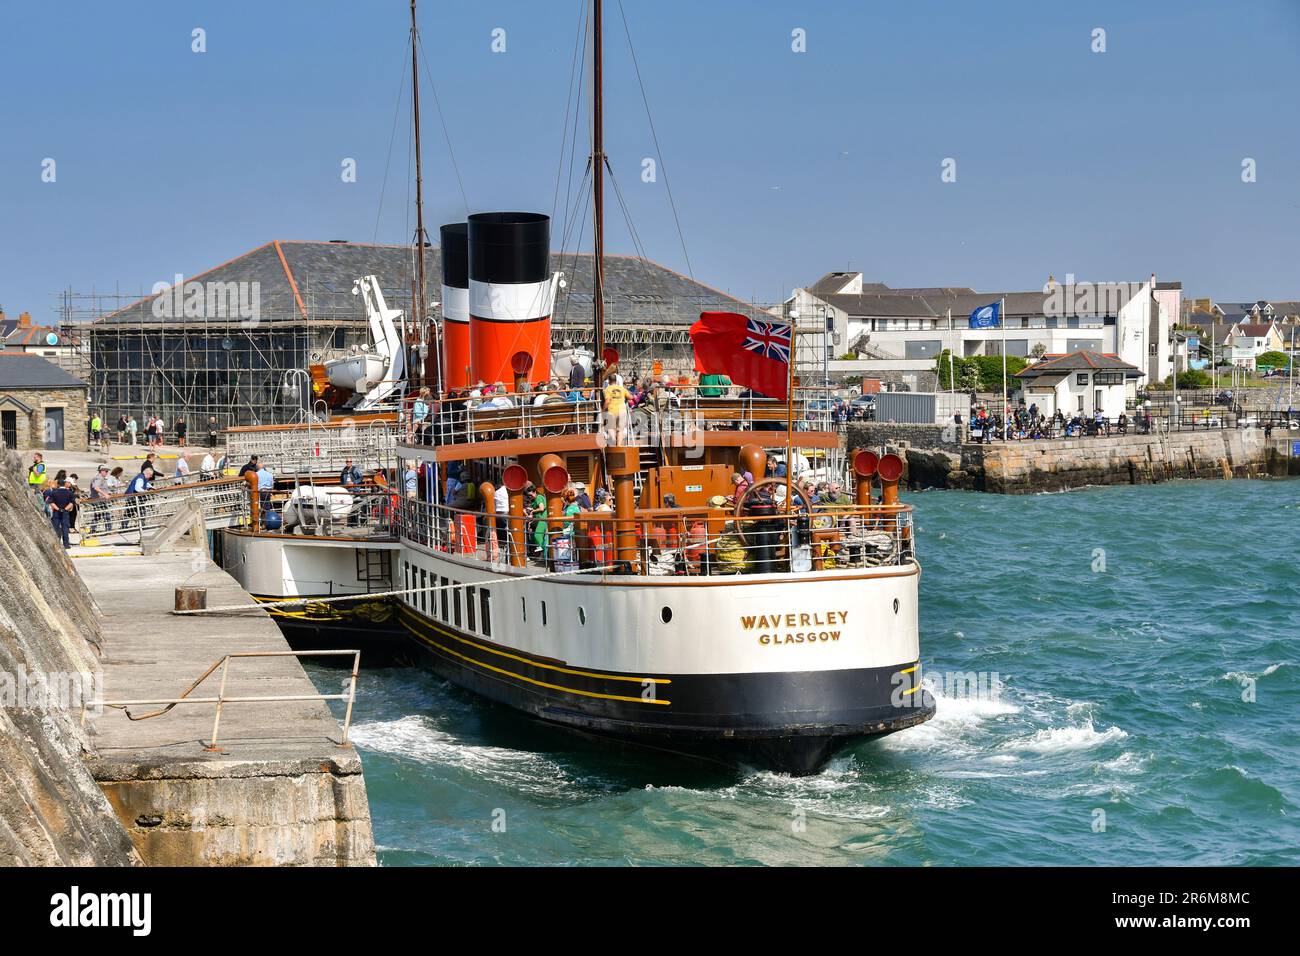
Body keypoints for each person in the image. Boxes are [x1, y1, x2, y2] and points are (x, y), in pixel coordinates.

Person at [44, 477, 76, 548]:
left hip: (56, 512)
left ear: (58, 485)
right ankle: (66, 544)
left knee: (56, 528)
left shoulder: (54, 493)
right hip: (65, 513)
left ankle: (57, 544)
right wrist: (65, 509)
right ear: (65, 484)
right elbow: (71, 503)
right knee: (65, 528)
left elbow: (51, 502)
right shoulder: (70, 493)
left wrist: (58, 509)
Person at [603, 375, 631, 444]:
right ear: (616, 381)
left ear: (609, 381)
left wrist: (603, 409)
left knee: (611, 428)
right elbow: (630, 397)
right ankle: (618, 446)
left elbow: (607, 401)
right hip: (622, 411)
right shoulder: (622, 388)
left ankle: (613, 442)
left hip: (612, 411)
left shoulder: (607, 389)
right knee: (620, 430)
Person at [256, 461, 274, 526]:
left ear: (257, 467)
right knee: (267, 507)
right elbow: (272, 485)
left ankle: (263, 523)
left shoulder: (256, 474)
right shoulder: (270, 474)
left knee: (261, 507)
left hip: (260, 492)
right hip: (268, 491)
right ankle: (267, 523)